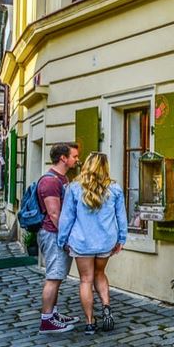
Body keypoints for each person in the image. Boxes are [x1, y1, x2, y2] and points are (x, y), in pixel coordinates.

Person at [58, 152, 127, 336]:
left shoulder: (74, 188)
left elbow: (67, 218)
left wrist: (62, 239)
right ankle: (106, 306)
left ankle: (89, 322)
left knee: (86, 280)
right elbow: (121, 217)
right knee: (100, 274)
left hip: (82, 242)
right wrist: (122, 238)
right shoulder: (115, 189)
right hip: (105, 241)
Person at [38, 142, 81, 333]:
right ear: (63, 158)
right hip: (53, 234)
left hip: (58, 234)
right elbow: (54, 214)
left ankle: (53, 313)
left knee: (58, 276)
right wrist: (66, 238)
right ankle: (47, 320)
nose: (77, 160)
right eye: (74, 156)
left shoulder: (61, 179)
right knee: (53, 277)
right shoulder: (51, 181)